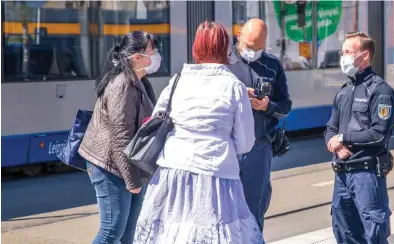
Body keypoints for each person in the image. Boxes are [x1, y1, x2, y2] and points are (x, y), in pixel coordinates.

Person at [133, 21, 264, 244]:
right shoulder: (234, 87)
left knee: (172, 234)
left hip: (173, 171)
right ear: (225, 49)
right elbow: (245, 143)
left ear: (196, 49)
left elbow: (157, 119)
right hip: (217, 175)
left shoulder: (177, 81)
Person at [78, 31, 161, 243]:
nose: (157, 55)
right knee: (112, 231)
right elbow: (121, 135)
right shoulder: (123, 84)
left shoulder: (140, 80)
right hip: (110, 166)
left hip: (129, 165)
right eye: (152, 50)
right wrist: (131, 179)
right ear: (137, 57)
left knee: (129, 232)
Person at [324, 32, 394, 244]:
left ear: (364, 55)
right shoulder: (344, 91)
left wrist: (343, 138)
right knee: (344, 234)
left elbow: (379, 134)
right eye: (343, 52)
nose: (343, 56)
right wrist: (337, 145)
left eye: (348, 52)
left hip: (366, 175)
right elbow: (330, 128)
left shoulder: (380, 91)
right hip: (342, 175)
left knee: (373, 234)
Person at [228, 18, 292, 232]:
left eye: (259, 49)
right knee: (225, 210)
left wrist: (267, 106)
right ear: (239, 37)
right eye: (249, 47)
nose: (253, 53)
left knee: (254, 212)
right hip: (228, 147)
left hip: (259, 147)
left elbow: (285, 106)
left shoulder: (272, 65)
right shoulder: (223, 63)